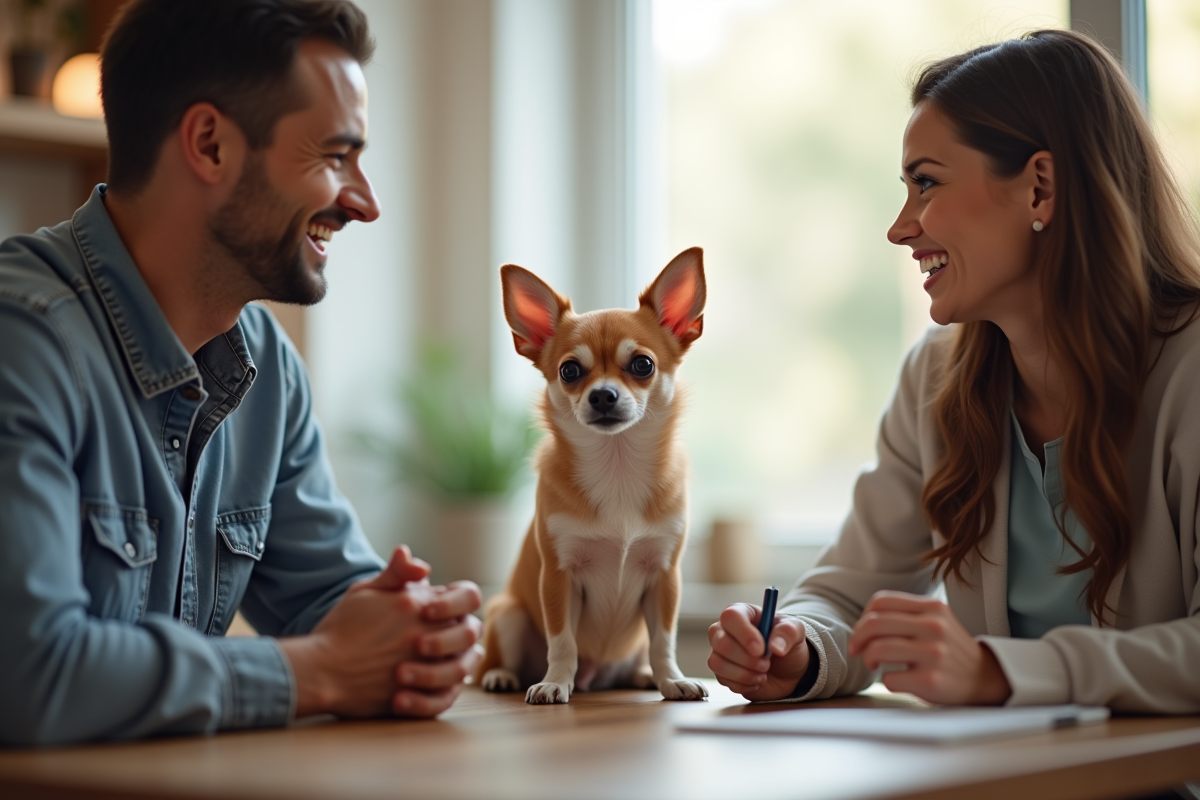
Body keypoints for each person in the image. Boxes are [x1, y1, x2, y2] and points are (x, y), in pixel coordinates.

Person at [0, 0, 481, 746]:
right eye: (333, 155)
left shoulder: (264, 365)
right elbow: (28, 675)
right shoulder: (22, 343)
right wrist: (316, 672)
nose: (366, 201)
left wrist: (416, 636)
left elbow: (332, 598)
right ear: (210, 145)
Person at [708, 29, 1200, 713]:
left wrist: (1002, 673)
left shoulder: (1191, 373)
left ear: (1039, 188)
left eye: (926, 184)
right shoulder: (935, 380)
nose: (901, 227)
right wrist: (799, 648)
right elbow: (846, 592)